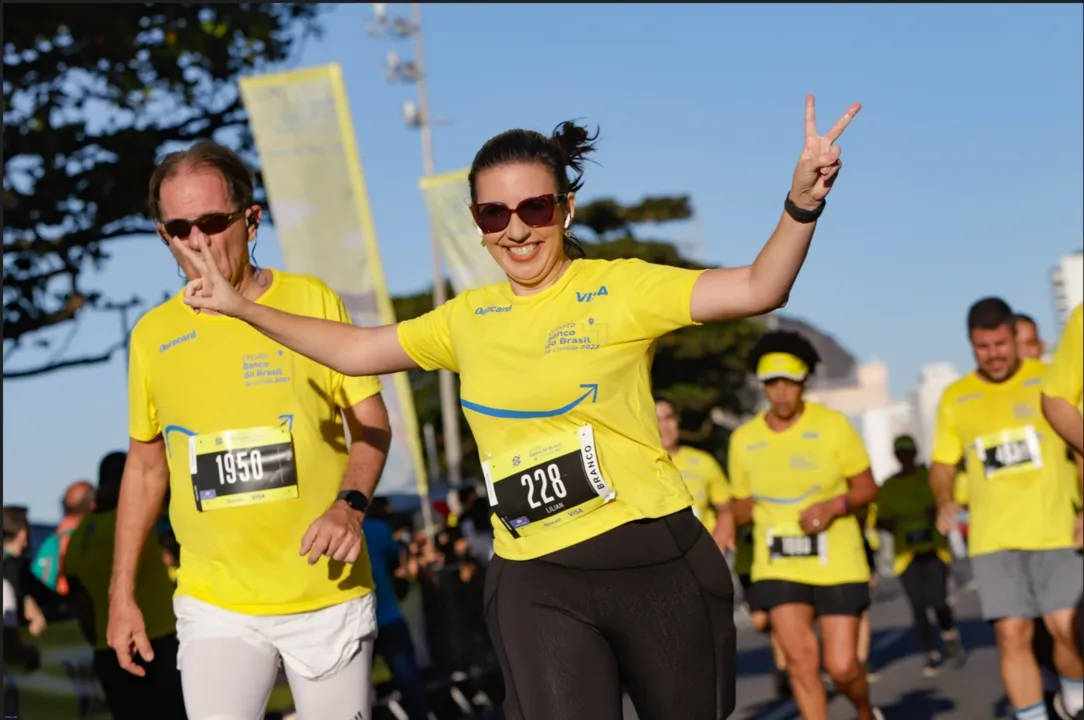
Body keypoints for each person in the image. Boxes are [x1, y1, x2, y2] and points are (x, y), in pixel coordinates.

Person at [171, 95, 862, 720]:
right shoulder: (466, 319)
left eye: (534, 208)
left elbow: (758, 287)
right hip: (537, 579)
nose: (516, 230)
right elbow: (355, 350)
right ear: (477, 223)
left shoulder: (619, 288)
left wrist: (801, 203)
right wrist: (240, 307)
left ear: (564, 208)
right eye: (493, 214)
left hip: (656, 565)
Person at [106, 140, 393, 720]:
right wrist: (122, 592)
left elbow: (371, 424)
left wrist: (350, 506)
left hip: (324, 593)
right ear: (164, 235)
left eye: (212, 222)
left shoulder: (310, 300)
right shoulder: (152, 335)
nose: (197, 241)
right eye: (179, 227)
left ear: (251, 220)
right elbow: (144, 467)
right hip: (216, 602)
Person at [931, 297, 1084, 720]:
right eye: (982, 347)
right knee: (1011, 635)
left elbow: (1079, 449)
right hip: (993, 539)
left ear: (1015, 338)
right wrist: (944, 499)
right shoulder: (955, 398)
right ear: (970, 344)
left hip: (1055, 529)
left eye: (1000, 343)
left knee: (1066, 629)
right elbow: (943, 463)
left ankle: (1073, 697)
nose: (993, 355)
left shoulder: (1049, 381)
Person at [729, 331, 883, 720]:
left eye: (789, 383)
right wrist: (729, 519)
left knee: (842, 665)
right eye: (771, 384)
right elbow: (740, 501)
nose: (780, 393)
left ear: (804, 384)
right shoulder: (744, 440)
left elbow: (866, 486)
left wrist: (835, 505)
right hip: (778, 561)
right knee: (800, 661)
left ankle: (864, 711)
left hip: (837, 559)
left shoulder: (833, 425)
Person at [65, 452, 185, 720]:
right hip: (156, 641)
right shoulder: (140, 519)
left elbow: (76, 592)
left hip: (109, 648)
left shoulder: (82, 533)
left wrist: (95, 636)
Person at [875, 435, 965, 676]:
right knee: (918, 606)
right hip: (907, 555)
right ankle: (931, 652)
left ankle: (949, 635)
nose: (905, 457)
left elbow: (946, 499)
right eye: (900, 453)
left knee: (938, 600)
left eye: (908, 452)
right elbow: (880, 518)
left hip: (934, 549)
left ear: (915, 453)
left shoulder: (928, 478)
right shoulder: (889, 486)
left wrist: (934, 511)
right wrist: (892, 523)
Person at [363, 497, 430, 720]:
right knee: (409, 683)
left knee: (357, 690)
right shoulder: (379, 529)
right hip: (388, 617)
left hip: (357, 625)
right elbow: (398, 563)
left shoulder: (337, 530)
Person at [655, 396, 736, 552]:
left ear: (678, 420)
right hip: (659, 555)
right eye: (656, 420)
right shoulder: (637, 464)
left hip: (701, 552)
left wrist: (723, 528)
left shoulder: (703, 461)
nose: (664, 426)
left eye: (669, 418)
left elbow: (726, 507)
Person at [32, 480, 95, 597]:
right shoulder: (99, 535)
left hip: (64, 605)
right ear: (93, 505)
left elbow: (39, 581)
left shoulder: (53, 542)